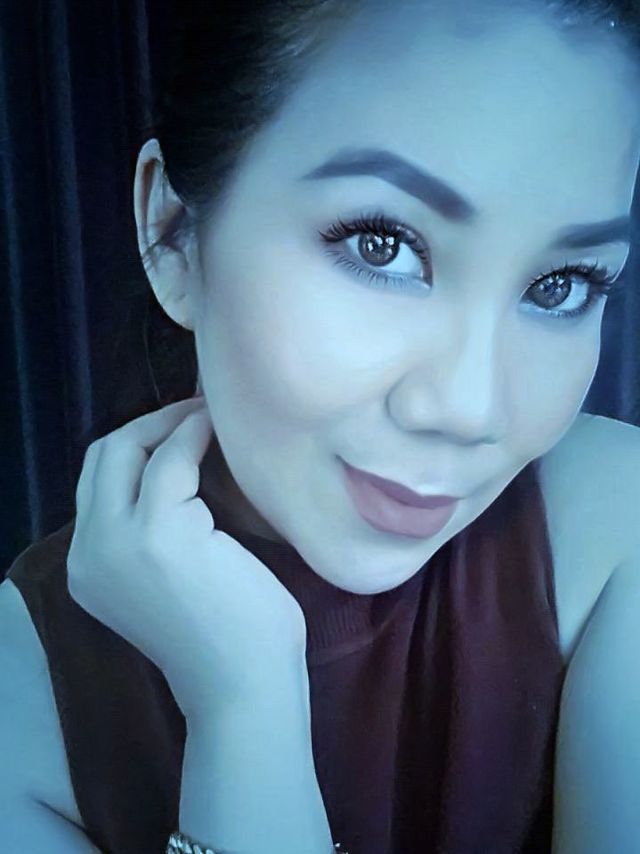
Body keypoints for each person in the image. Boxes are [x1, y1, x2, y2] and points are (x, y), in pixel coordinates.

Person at [1, 0, 640, 851]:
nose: (471, 410)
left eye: (561, 285)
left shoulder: (619, 535)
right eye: (382, 246)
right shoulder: (26, 690)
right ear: (173, 234)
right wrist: (243, 706)